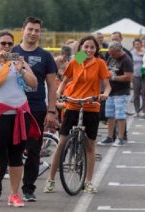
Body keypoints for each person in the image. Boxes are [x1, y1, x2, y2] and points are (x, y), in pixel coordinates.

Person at [0, 17, 58, 202]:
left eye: (37, 30)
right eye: (30, 29)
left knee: (33, 150)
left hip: (35, 108)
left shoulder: (46, 56)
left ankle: (28, 189)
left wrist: (52, 111)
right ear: (23, 30)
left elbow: (52, 85)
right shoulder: (10, 50)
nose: (33, 33)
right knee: (3, 151)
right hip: (8, 109)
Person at [44, 35, 111, 194]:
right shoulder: (78, 59)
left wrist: (105, 94)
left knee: (90, 145)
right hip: (73, 103)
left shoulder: (100, 63)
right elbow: (65, 79)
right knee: (62, 142)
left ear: (96, 49)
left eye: (92, 47)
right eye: (86, 47)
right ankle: (51, 179)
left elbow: (107, 86)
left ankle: (88, 181)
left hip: (91, 105)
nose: (88, 50)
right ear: (81, 48)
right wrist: (59, 92)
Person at [0, 31, 39, 207]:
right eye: (3, 43)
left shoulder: (20, 61)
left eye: (10, 44)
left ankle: (14, 194)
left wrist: (21, 70)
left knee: (17, 156)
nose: (7, 47)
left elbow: (34, 84)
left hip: (20, 114)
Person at [97, 42, 133, 147]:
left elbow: (129, 77)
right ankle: (110, 137)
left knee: (120, 115)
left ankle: (120, 138)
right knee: (109, 115)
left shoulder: (126, 60)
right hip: (111, 92)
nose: (111, 55)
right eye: (110, 53)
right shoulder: (111, 57)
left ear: (119, 51)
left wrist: (113, 77)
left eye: (113, 53)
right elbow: (107, 70)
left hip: (121, 92)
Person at [131, 38, 145, 116]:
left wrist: (143, 55)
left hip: (144, 75)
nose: (137, 45)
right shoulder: (131, 53)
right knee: (136, 94)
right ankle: (137, 111)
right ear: (133, 45)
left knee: (143, 93)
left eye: (138, 44)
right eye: (135, 44)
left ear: (141, 44)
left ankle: (143, 110)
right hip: (135, 75)